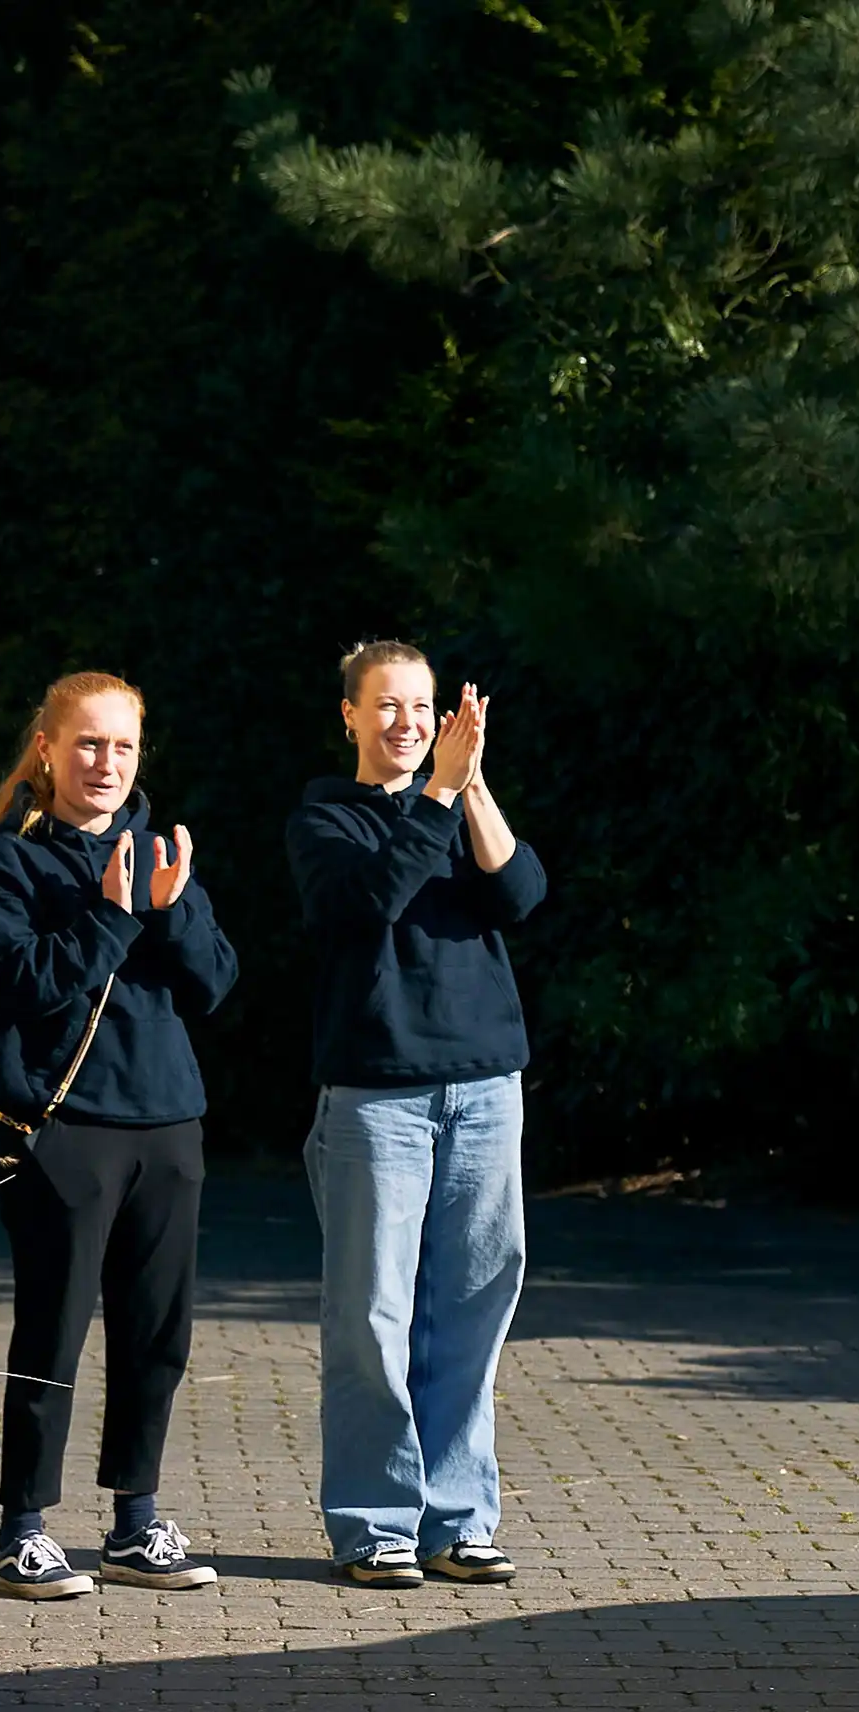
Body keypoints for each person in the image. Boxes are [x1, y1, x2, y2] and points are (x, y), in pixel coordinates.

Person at [0, 671, 241, 1600]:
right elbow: (17, 985)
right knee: (54, 1329)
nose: (105, 763)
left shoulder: (160, 850)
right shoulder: (6, 863)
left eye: (122, 747)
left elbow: (213, 984)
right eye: (88, 743)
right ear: (46, 748)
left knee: (156, 1331)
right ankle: (23, 1528)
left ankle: (134, 1520)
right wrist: (114, 917)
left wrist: (171, 907)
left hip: (168, 1121)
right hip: (65, 1127)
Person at [290, 641, 545, 1590]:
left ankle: (460, 1518)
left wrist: (471, 788)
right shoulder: (326, 816)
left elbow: (520, 892)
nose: (406, 723)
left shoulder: (457, 805)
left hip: (485, 1088)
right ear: (350, 716)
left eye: (423, 707)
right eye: (387, 706)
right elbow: (369, 902)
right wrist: (435, 796)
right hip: (376, 1098)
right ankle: (373, 1524)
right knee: (371, 1317)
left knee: (472, 1309)